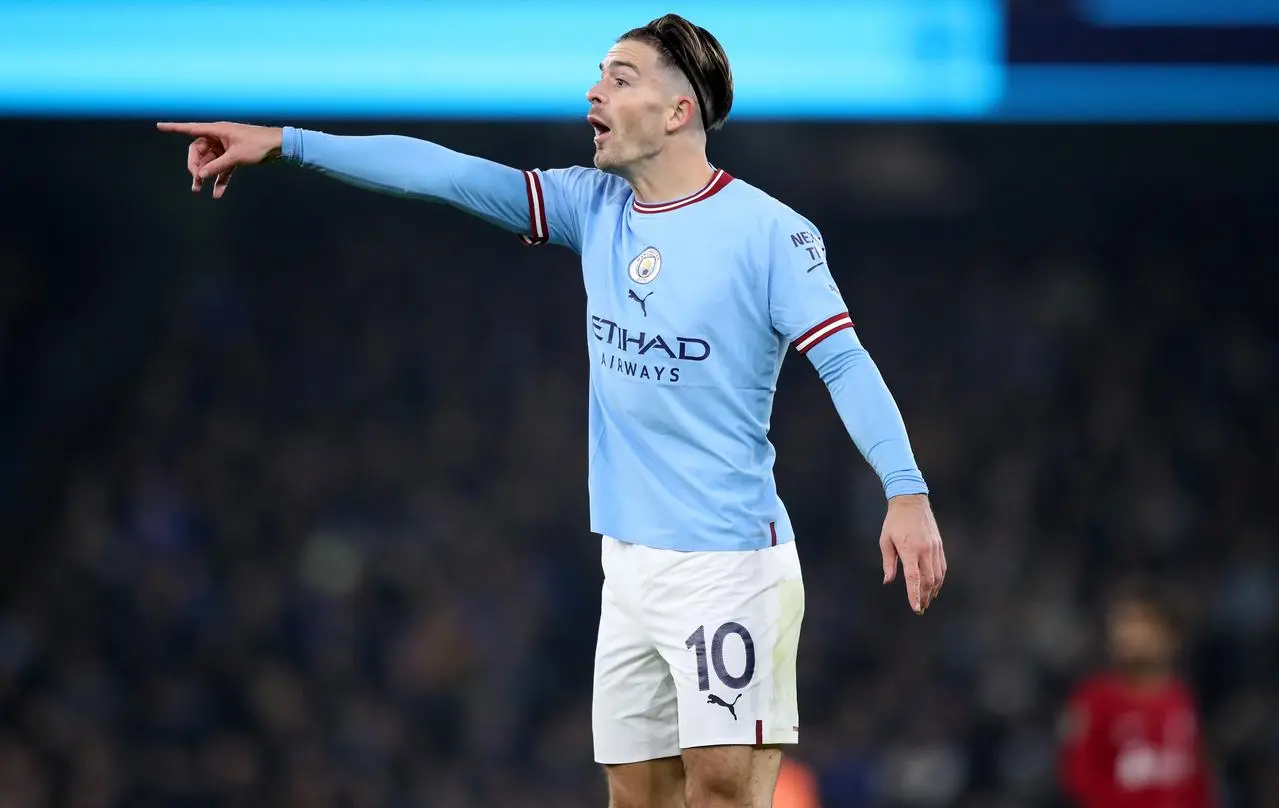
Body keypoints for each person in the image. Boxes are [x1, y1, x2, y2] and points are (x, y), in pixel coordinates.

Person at [158, 13, 946, 808]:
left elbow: (842, 358)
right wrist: (288, 141)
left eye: (619, 78)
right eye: (598, 74)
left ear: (678, 112)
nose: (593, 91)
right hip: (629, 565)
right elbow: (442, 173)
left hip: (728, 566)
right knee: (636, 799)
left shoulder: (770, 234)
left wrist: (903, 489)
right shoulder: (589, 205)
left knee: (722, 797)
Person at [1060, 586, 1216, 808]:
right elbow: (1081, 779)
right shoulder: (1094, 700)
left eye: (1141, 623)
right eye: (1123, 624)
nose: (1129, 634)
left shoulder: (1183, 700)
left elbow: (1197, 778)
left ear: (1169, 636)